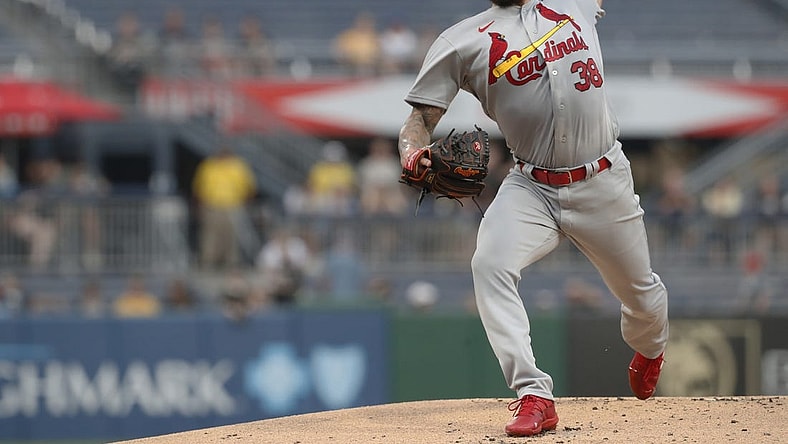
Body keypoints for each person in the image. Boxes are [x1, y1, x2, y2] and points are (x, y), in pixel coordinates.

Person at [397, 0, 669, 437]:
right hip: (532, 187)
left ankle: (650, 348)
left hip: (603, 180)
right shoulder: (461, 41)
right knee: (489, 263)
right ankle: (533, 393)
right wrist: (412, 154)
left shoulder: (572, 3)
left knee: (642, 296)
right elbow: (417, 120)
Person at [192, 145, 257, 269]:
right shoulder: (209, 166)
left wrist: (246, 205)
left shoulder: (239, 166)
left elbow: (250, 188)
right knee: (211, 236)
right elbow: (198, 188)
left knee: (232, 236)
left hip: (234, 205)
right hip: (212, 206)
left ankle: (231, 264)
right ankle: (209, 262)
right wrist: (199, 207)